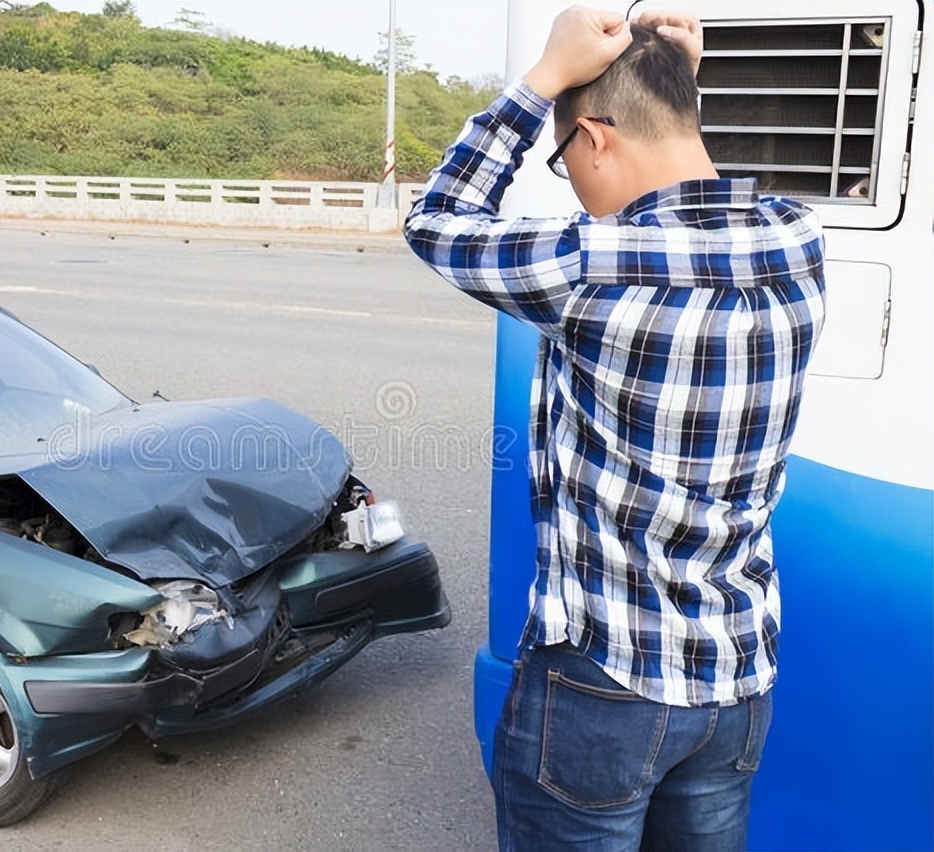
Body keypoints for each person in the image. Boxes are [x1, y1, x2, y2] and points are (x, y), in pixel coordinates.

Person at [403, 6, 825, 851]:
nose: (576, 185)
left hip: (605, 682)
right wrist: (676, 88)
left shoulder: (589, 265)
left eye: (566, 161)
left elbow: (437, 220)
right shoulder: (796, 240)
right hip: (736, 677)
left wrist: (540, 81)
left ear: (594, 139)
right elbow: (701, 194)